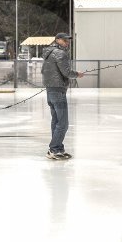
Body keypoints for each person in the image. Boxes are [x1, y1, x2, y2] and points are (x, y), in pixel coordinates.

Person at [41, 32, 84, 160]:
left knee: (56, 121)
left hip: (51, 89)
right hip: (58, 90)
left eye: (68, 40)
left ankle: (58, 148)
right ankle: (54, 149)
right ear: (58, 40)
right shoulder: (60, 53)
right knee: (63, 122)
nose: (67, 42)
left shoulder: (49, 52)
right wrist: (77, 74)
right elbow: (66, 72)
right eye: (65, 40)